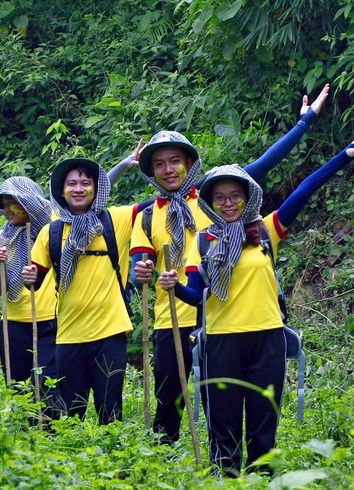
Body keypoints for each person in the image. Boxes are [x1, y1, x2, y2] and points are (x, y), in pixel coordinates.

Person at [158, 127, 354, 476]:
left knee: (263, 426)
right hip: (221, 342)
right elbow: (197, 296)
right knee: (223, 426)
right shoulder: (203, 242)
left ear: (248, 198)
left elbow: (303, 191)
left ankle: (262, 482)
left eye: (235, 196)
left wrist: (344, 155)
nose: (228, 203)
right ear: (210, 204)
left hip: (268, 340)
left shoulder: (266, 232)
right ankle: (226, 480)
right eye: (220, 198)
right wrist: (174, 287)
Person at [130, 84, 331, 444]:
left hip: (222, 318)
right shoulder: (147, 215)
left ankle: (232, 466)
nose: (169, 170)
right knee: (169, 404)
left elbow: (267, 163)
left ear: (190, 163)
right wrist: (141, 273)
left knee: (222, 405)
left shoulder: (214, 194)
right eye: (159, 164)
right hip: (171, 315)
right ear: (151, 171)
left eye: (175, 161)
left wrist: (305, 123)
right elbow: (137, 262)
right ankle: (162, 463)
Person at [22, 149, 150, 425]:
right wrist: (28, 277)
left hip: (111, 331)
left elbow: (159, 202)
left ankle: (115, 465)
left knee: (110, 407)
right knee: (70, 411)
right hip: (68, 334)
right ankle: (73, 463)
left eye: (85, 183)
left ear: (96, 188)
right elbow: (35, 280)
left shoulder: (115, 220)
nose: (78, 189)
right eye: (72, 184)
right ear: (62, 190)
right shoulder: (51, 232)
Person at [0, 177, 63, 413]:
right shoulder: (3, 239)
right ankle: (23, 437)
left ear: (28, 201)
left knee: (47, 383)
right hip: (13, 323)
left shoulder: (54, 225)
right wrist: (0, 267)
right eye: (4, 204)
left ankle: (49, 434)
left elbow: (89, 198)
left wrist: (124, 164)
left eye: (12, 202)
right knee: (17, 387)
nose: (7, 210)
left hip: (49, 321)